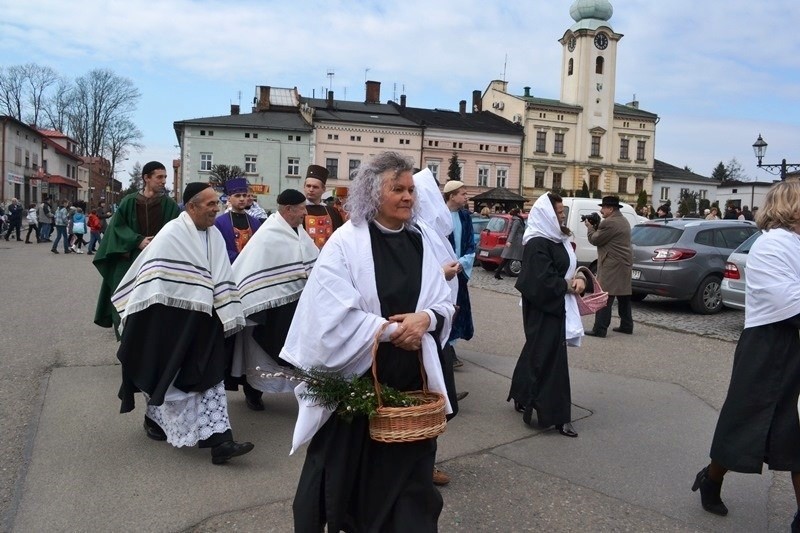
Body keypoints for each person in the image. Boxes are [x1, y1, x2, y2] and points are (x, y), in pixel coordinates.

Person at [281, 151, 455, 532]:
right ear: (373, 193)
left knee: (411, 483)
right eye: (398, 188)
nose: (409, 196)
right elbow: (332, 314)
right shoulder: (345, 243)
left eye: (411, 189)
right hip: (359, 380)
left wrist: (426, 319)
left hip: (409, 382)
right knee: (349, 478)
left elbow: (444, 300)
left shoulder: (421, 240)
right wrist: (396, 331)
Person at [112, 182, 253, 465]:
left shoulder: (213, 235)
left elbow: (220, 274)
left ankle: (220, 441)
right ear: (191, 207)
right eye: (210, 204)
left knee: (210, 377)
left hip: (205, 320)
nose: (216, 208)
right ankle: (154, 419)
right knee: (169, 375)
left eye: (217, 203)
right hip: (169, 321)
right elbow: (153, 278)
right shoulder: (172, 233)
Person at [692, 180, 800, 529]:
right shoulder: (770, 247)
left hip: (793, 344)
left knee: (797, 432)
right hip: (768, 346)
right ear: (792, 207)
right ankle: (712, 476)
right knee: (743, 423)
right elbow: (788, 303)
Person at [229, 188, 318, 410]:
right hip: (267, 310)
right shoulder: (269, 233)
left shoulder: (299, 232)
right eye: (301, 209)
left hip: (292, 307)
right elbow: (251, 271)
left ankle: (304, 394)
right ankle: (253, 391)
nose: (305, 213)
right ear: (288, 210)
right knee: (260, 353)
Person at [508, 193, 586, 437]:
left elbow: (568, 266)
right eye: (558, 213)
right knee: (551, 360)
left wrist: (581, 277)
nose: (562, 216)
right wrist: (569, 285)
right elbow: (541, 281)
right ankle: (556, 415)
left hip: (555, 304)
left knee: (536, 352)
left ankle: (522, 394)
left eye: (563, 213)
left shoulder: (556, 238)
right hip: (544, 307)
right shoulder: (537, 243)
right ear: (546, 215)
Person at [93, 161, 181, 331]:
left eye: (165, 177)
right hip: (130, 260)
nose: (164, 181)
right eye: (159, 177)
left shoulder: (169, 205)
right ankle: (128, 337)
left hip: (159, 262)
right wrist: (137, 240)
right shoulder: (129, 201)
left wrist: (160, 243)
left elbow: (177, 230)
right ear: (146, 178)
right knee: (127, 300)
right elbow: (116, 229)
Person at [585, 196, 634, 337]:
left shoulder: (610, 223)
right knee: (624, 296)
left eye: (603, 208)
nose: (601, 211)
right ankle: (626, 325)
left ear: (611, 209)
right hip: (623, 263)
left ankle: (599, 329)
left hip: (612, 265)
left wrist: (590, 228)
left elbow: (595, 239)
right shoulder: (623, 220)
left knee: (604, 296)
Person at [443, 180, 475, 370]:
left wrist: (463, 263)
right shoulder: (440, 215)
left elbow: (471, 243)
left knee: (458, 308)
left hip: (459, 271)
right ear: (452, 195)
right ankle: (446, 349)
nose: (466, 197)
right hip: (444, 271)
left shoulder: (465, 216)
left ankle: (451, 346)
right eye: (463, 193)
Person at [214, 177, 262, 263]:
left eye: (244, 195)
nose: (242, 199)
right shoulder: (220, 223)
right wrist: (241, 259)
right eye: (237, 196)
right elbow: (218, 250)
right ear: (229, 199)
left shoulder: (255, 223)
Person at [303, 164, 344, 248]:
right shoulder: (298, 210)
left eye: (315, 187)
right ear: (304, 187)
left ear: (323, 189)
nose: (311, 190)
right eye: (308, 186)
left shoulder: (332, 212)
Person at [495, 207, 524, 280]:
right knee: (520, 257)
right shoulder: (517, 221)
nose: (521, 213)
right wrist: (509, 241)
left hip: (516, 241)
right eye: (520, 211)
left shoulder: (515, 219)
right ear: (518, 213)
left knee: (507, 258)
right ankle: (497, 273)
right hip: (516, 242)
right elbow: (513, 231)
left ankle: (497, 273)